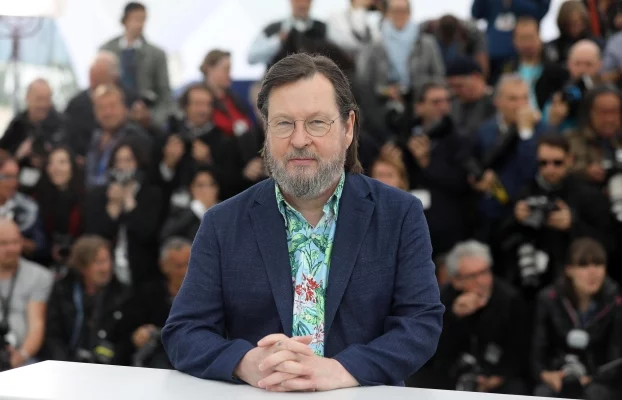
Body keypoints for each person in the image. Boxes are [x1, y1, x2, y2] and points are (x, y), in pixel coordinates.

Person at [162, 53, 444, 391]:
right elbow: (184, 331)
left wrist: (341, 370)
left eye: (316, 123)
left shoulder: (399, 214)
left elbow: (420, 325)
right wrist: (245, 362)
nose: (299, 140)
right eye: (284, 124)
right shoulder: (222, 223)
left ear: (348, 128)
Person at [417, 240, 529, 395]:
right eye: (473, 276)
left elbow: (518, 351)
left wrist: (495, 379)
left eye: (484, 272)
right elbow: (432, 352)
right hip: (450, 375)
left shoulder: (510, 299)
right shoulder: (441, 299)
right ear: (457, 281)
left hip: (497, 375)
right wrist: (454, 317)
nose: (482, 281)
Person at [532, 237, 621, 400]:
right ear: (569, 270)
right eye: (583, 265)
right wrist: (546, 374)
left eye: (598, 264)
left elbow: (616, 356)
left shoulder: (615, 302)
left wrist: (593, 377)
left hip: (598, 379)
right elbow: (538, 349)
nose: (592, 273)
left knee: (597, 394)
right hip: (557, 373)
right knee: (543, 392)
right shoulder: (549, 299)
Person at [42, 236, 132, 365]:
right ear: (82, 267)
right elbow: (53, 335)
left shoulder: (122, 294)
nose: (105, 268)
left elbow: (125, 341)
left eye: (107, 261)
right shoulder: (63, 291)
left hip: (108, 367)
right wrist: (63, 364)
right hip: (66, 364)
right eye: (98, 262)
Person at [100, 2, 172, 126]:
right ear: (125, 20)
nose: (140, 24)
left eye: (143, 20)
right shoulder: (106, 51)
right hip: (114, 118)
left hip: (147, 118)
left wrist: (153, 118)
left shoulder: (156, 54)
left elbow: (164, 93)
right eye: (136, 19)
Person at [124, 237, 191, 369]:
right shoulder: (147, 296)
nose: (185, 271)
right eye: (179, 266)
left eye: (189, 264)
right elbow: (127, 331)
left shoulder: (209, 294)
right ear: (164, 266)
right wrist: (139, 334)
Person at [0, 219, 53, 370]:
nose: (11, 249)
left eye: (15, 242)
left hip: (23, 358)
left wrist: (21, 356)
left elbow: (36, 323)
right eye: (3, 243)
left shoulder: (39, 276)